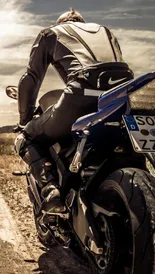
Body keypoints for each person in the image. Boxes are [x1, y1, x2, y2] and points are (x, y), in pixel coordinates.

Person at [15, 8, 134, 213]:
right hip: (123, 97)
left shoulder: (52, 33)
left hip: (82, 93)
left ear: (62, 22)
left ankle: (52, 192)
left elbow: (31, 79)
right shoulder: (105, 31)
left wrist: (25, 119)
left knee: (28, 138)